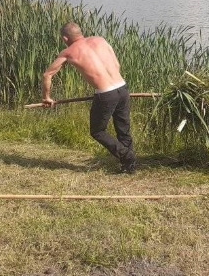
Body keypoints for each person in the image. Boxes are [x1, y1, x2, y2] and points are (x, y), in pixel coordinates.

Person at [41, 22, 137, 173]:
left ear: (65, 38)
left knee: (97, 131)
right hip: (122, 88)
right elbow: (117, 65)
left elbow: (47, 75)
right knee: (123, 128)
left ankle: (126, 156)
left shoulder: (68, 52)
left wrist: (47, 97)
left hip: (106, 93)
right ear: (80, 32)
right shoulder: (101, 40)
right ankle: (129, 165)